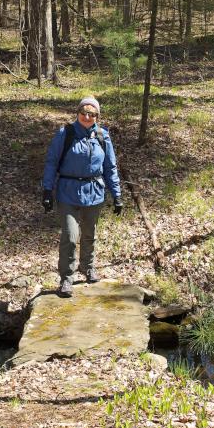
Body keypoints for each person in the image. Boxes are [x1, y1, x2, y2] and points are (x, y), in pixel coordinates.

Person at [42, 96, 122, 297]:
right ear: (77, 113)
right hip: (67, 192)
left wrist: (117, 195)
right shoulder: (65, 134)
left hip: (94, 192)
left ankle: (87, 267)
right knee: (70, 236)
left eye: (92, 113)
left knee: (89, 233)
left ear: (97, 116)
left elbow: (110, 168)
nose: (87, 116)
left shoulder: (103, 136)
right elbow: (52, 162)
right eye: (83, 112)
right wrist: (47, 190)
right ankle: (66, 278)